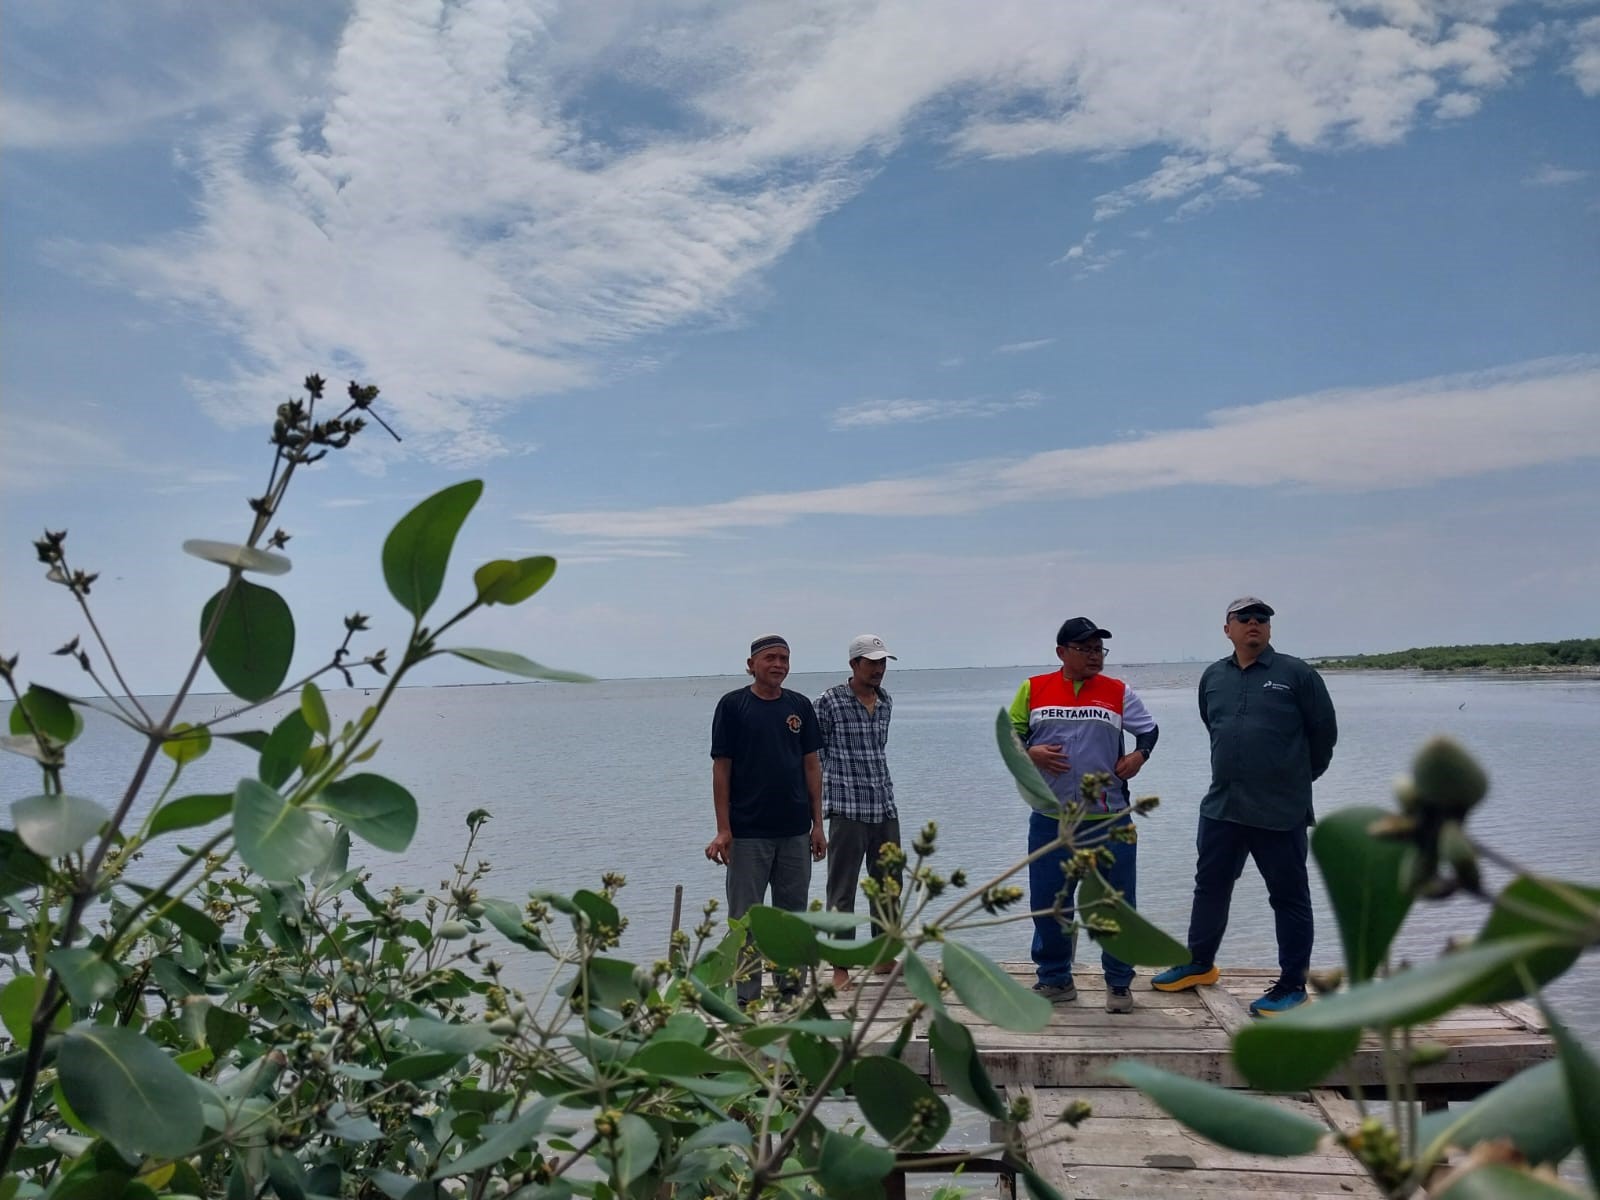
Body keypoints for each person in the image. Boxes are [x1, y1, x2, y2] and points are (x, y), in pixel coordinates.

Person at [1152, 597, 1338, 1017]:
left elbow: (1323, 737)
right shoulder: (1213, 677)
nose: (1254, 623)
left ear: (1270, 629)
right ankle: (1200, 964)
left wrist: (1294, 781)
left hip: (1280, 811)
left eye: (1262, 619)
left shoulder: (1298, 674)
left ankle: (1292, 985)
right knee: (1210, 887)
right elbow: (1212, 724)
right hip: (1222, 806)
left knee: (1288, 897)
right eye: (1245, 618)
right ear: (1228, 628)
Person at [1010, 617, 1159, 1014]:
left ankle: (1119, 985)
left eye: (1099, 649)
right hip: (1050, 818)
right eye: (1086, 649)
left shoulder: (1117, 691)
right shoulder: (1033, 689)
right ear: (1062, 653)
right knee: (1050, 904)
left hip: (1109, 818)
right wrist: (1032, 753)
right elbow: (1010, 738)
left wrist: (1138, 756)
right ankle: (1056, 979)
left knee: (1117, 903)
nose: (1095, 656)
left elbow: (1149, 731)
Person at [706, 634, 827, 1005]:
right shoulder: (732, 706)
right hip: (747, 834)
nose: (779, 665)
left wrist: (817, 824)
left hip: (794, 833)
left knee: (792, 920)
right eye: (771, 658)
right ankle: (746, 998)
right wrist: (724, 829)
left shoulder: (800, 707)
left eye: (785, 659)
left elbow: (811, 766)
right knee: (746, 922)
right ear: (751, 664)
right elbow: (721, 770)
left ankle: (790, 993)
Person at [817, 634, 901, 991]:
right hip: (846, 806)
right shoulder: (828, 702)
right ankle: (840, 966)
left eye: (882, 663)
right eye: (872, 663)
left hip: (883, 803)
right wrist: (817, 812)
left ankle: (883, 953)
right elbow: (814, 756)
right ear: (854, 665)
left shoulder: (885, 702)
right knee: (843, 888)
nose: (879, 669)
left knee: (888, 884)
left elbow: (877, 751)